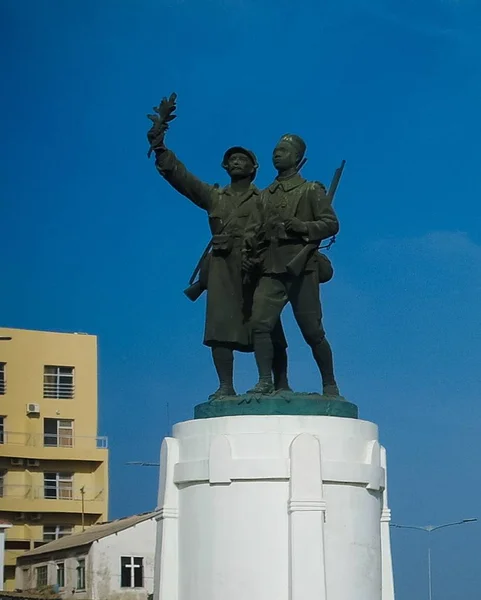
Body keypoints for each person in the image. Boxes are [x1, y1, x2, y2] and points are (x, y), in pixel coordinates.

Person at [147, 118, 290, 398]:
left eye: (243, 159)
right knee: (219, 328)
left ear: (254, 168)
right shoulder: (215, 197)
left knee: (267, 325)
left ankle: (273, 382)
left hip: (254, 265)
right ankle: (226, 386)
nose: (236, 162)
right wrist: (161, 148)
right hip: (222, 267)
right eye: (232, 159)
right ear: (225, 167)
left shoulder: (264, 199)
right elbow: (182, 178)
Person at [246, 134, 340, 396]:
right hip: (271, 268)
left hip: (302, 269)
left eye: (284, 150)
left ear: (297, 158)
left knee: (313, 332)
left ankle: (329, 384)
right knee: (260, 325)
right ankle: (265, 381)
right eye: (276, 149)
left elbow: (331, 224)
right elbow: (252, 233)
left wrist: (303, 227)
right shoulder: (263, 196)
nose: (277, 154)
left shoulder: (310, 190)